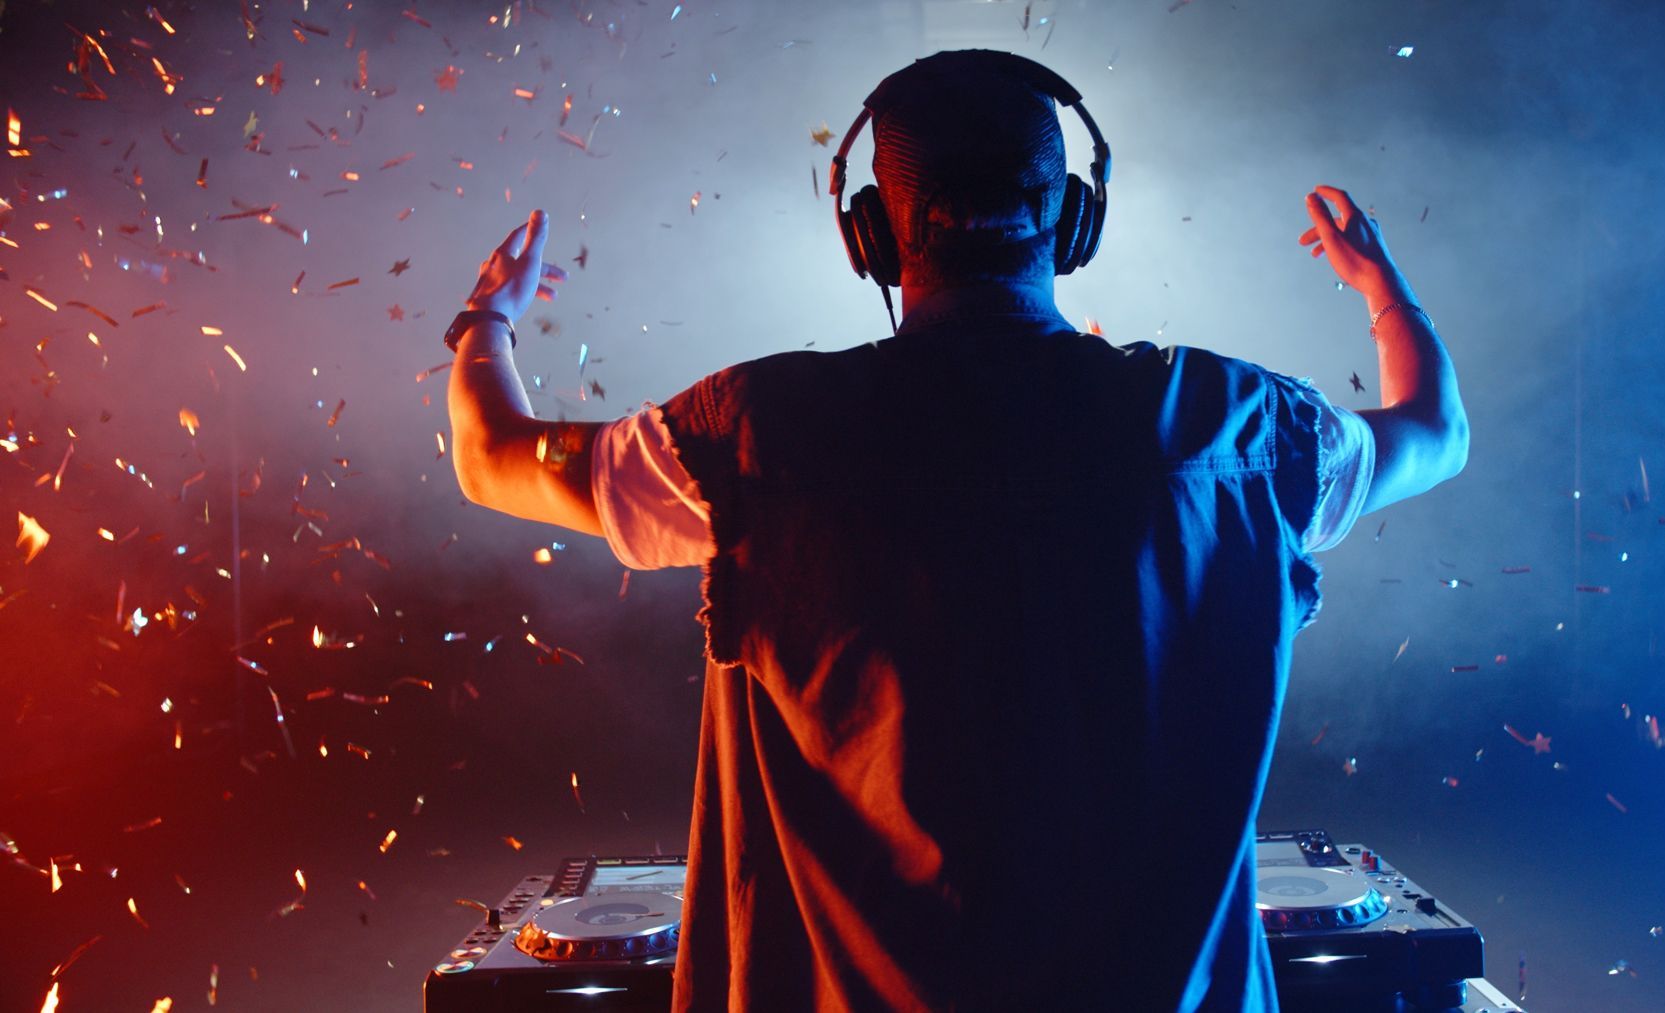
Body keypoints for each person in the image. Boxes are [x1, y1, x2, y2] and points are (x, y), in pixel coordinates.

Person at [446, 50, 1466, 1013]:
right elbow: (1435, 430)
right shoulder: (1238, 429)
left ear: (873, 235)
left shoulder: (758, 435)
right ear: (1073, 218)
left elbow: (494, 455)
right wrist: (1386, 293)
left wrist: (488, 322)